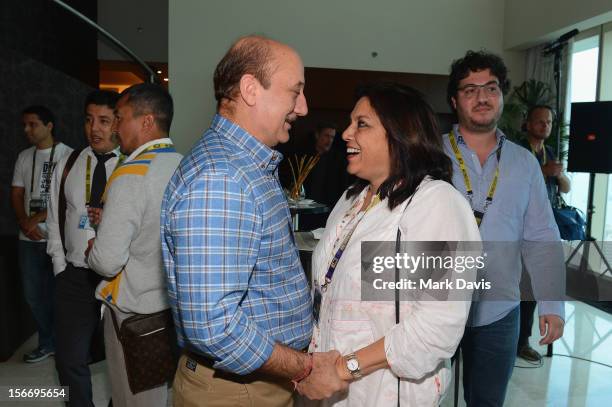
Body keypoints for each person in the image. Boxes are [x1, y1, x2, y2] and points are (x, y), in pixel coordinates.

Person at [161, 35, 341, 407]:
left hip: (253, 382)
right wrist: (303, 367)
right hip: (237, 391)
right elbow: (215, 326)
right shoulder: (223, 177)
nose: (303, 108)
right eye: (296, 92)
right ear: (250, 89)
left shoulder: (246, 165)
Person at [296, 82, 481, 406]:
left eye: (362, 124)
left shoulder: (437, 204)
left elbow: (438, 326)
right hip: (334, 391)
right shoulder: (351, 198)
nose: (346, 134)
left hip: (388, 393)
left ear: (400, 134)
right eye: (350, 123)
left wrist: (344, 367)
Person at [443, 50, 565, 406]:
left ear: (501, 95)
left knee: (488, 401)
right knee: (421, 398)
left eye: (491, 88)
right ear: (454, 100)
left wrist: (551, 303)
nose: (482, 97)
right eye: (470, 89)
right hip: (434, 303)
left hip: (500, 308)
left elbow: (542, 236)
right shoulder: (429, 155)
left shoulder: (524, 162)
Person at [86, 83, 182, 407]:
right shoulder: (185, 165)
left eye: (119, 117)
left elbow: (108, 261)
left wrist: (92, 252)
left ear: (146, 122)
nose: (114, 127)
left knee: (133, 399)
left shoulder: (131, 174)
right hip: (174, 308)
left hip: (133, 315)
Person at [46, 90, 120, 406]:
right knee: (69, 359)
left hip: (119, 278)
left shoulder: (132, 166)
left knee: (123, 363)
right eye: (89, 120)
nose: (95, 129)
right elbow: (53, 217)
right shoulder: (69, 162)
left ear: (119, 122)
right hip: (75, 276)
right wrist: (60, 267)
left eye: (104, 121)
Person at [11, 105, 73, 363]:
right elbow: (16, 192)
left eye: (33, 124)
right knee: (34, 295)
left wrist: (36, 218)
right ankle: (48, 342)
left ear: (49, 126)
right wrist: (25, 222)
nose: (27, 129)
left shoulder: (68, 155)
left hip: (58, 237)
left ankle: (66, 344)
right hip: (29, 238)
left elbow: (66, 197)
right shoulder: (25, 156)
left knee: (62, 295)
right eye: (25, 124)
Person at [517, 104, 571, 362]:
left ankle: (522, 341)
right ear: (527, 123)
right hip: (517, 230)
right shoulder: (515, 151)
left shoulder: (549, 152)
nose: (544, 126)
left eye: (548, 122)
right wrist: (543, 172)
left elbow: (566, 186)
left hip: (542, 227)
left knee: (531, 287)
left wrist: (558, 175)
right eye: (539, 121)